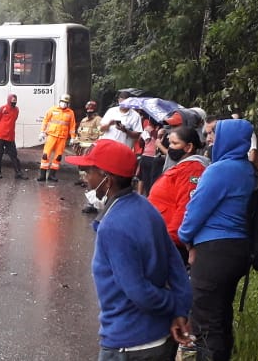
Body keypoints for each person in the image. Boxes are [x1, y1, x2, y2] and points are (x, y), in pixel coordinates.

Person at [65, 140, 193, 360]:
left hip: (129, 346)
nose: (85, 178)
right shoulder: (146, 206)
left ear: (107, 178)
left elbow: (139, 292)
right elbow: (176, 265)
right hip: (159, 338)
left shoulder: (113, 226)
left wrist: (173, 305)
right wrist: (180, 309)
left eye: (89, 171)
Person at [178, 119, 255, 361]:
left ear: (227, 140)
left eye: (214, 135)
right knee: (221, 315)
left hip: (213, 253)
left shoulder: (220, 170)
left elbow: (196, 210)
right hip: (238, 252)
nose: (210, 140)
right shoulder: (248, 170)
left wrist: (184, 238)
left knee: (204, 322)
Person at [148, 125, 209, 264]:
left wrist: (170, 240)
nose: (170, 147)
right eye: (170, 143)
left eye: (175, 143)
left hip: (170, 243)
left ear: (188, 147)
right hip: (159, 236)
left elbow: (185, 207)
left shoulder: (193, 169)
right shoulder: (180, 166)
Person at [37, 93, 77, 182]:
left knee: (58, 156)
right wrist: (42, 132)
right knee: (45, 155)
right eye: (63, 102)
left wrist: (73, 137)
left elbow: (72, 126)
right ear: (60, 101)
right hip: (51, 135)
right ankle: (42, 175)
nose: (64, 104)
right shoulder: (52, 110)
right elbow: (45, 121)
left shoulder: (70, 113)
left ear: (68, 103)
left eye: (66, 102)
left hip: (62, 137)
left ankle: (52, 175)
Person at [0, 93, 27, 179]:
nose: (14, 103)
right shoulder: (2, 108)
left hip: (10, 136)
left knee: (13, 155)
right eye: (12, 101)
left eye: (15, 101)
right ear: (9, 101)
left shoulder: (16, 110)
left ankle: (18, 173)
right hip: (1, 135)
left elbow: (14, 119)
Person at [74, 100, 103, 187]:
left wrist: (97, 145)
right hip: (81, 145)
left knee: (88, 165)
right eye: (88, 111)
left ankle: (87, 181)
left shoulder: (98, 120)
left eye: (91, 112)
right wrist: (76, 140)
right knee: (80, 164)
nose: (89, 113)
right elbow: (79, 131)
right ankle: (82, 178)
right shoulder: (84, 120)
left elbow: (101, 133)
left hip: (90, 145)